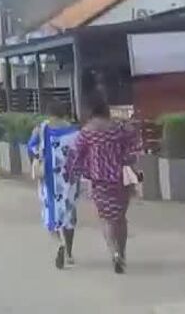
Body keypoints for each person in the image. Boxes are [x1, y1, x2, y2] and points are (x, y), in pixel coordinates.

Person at [68, 98, 141, 274]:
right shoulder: (118, 128)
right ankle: (122, 252)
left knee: (106, 219)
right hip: (120, 179)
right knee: (120, 218)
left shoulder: (87, 132)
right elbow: (134, 144)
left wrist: (73, 173)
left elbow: (76, 154)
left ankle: (113, 252)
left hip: (99, 180)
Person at [27, 98, 82, 269]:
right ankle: (69, 253)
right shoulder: (75, 132)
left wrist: (36, 162)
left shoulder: (41, 129)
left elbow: (31, 148)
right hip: (70, 179)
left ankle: (59, 243)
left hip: (49, 179)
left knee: (50, 213)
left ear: (48, 113)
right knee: (69, 214)